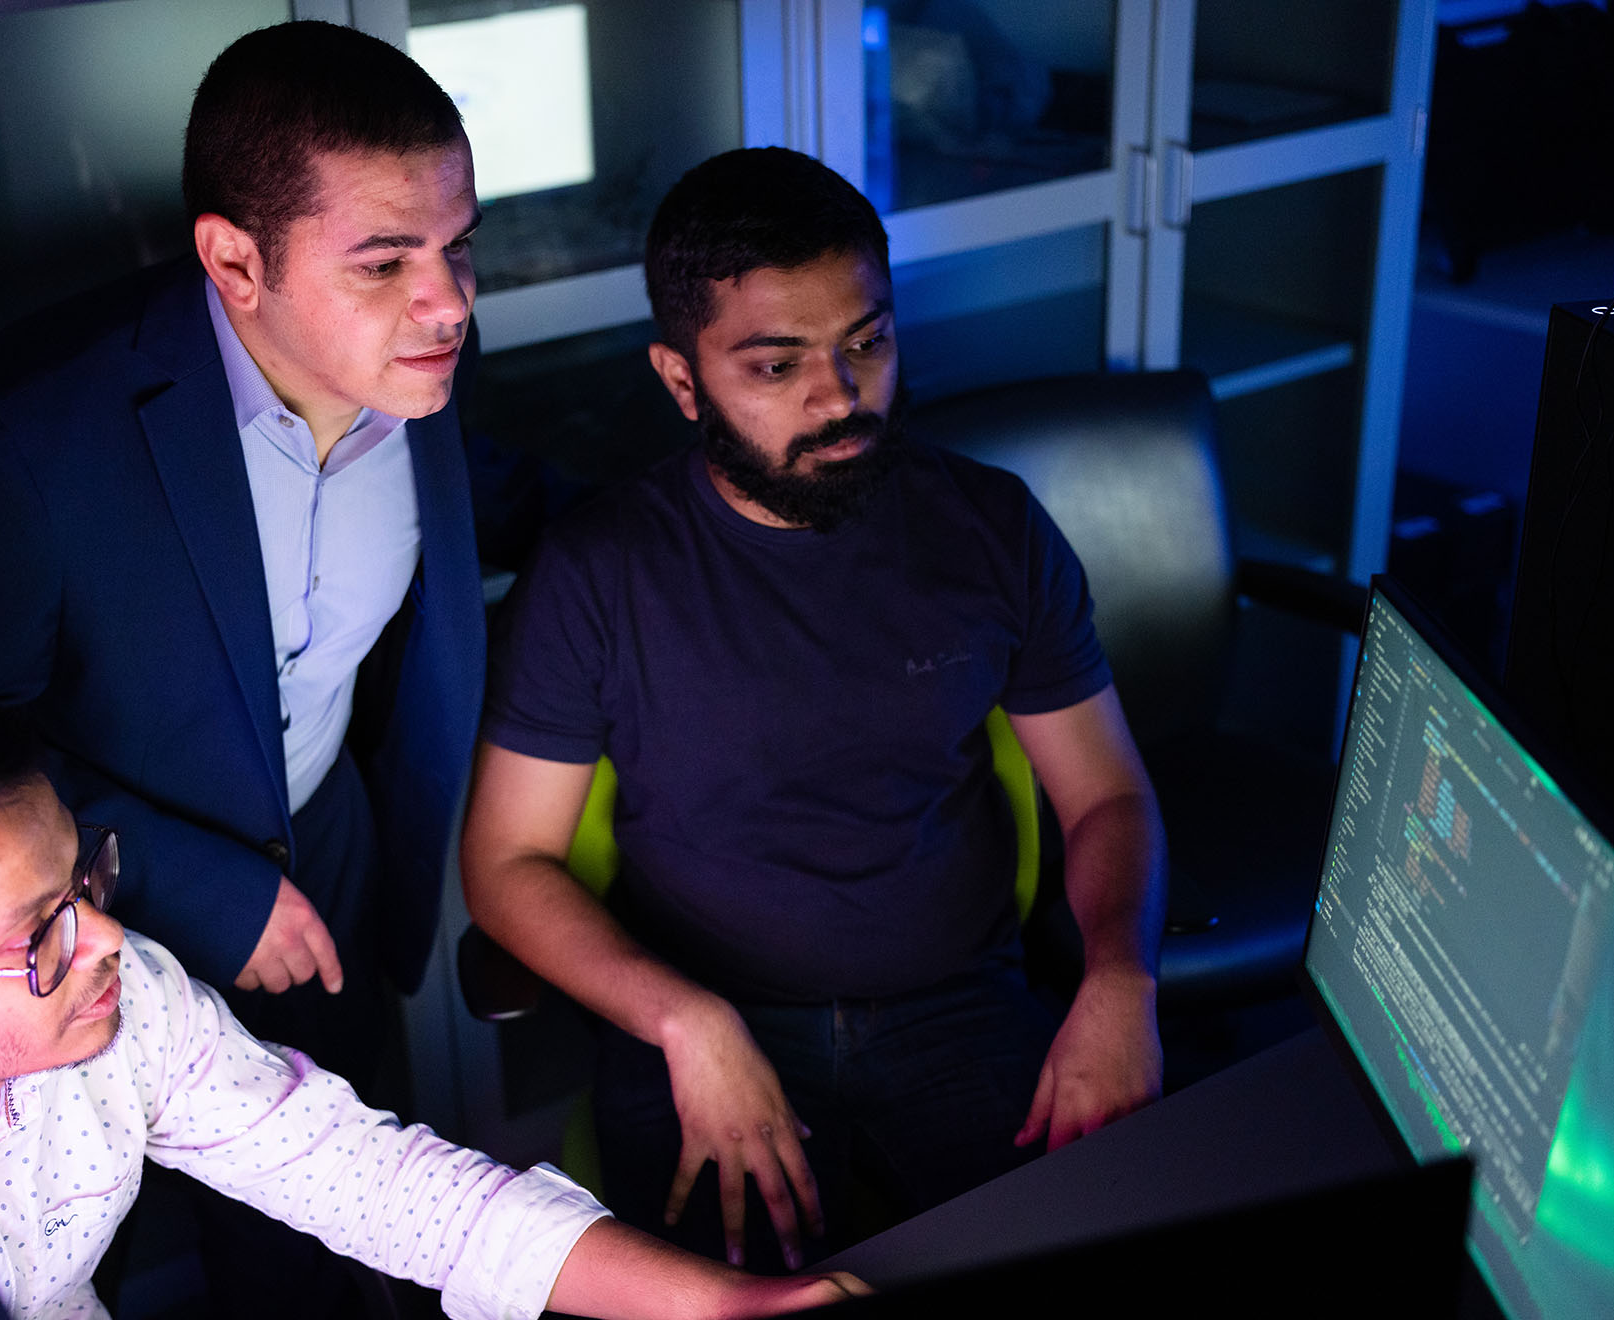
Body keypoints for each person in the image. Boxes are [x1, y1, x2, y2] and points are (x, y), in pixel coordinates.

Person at [0, 22, 487, 1310]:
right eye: (386, 261)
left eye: (459, 247)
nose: (452, 301)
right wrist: (202, 888)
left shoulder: (414, 362)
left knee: (336, 1238)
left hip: (338, 871)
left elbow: (478, 524)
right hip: (68, 934)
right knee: (77, 1272)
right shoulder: (15, 446)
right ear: (234, 260)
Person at [0, 657, 863, 1320]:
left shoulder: (121, 1011)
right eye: (41, 934)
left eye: (86, 877)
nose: (113, 941)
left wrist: (726, 1310)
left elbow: (376, 1182)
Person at [461, 147, 1168, 1273]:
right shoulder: (598, 571)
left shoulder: (989, 527)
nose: (839, 398)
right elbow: (504, 864)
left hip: (959, 1008)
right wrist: (685, 1022)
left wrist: (1119, 973)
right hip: (709, 1018)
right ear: (682, 380)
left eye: (866, 343)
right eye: (775, 365)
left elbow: (1105, 795)